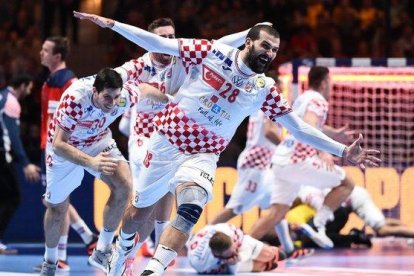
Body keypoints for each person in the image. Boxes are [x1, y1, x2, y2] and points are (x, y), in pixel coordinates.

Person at [74, 12, 380, 275]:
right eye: (264, 45)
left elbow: (297, 128)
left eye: (274, 50)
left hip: (204, 154)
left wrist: (341, 151)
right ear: (248, 42)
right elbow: (159, 44)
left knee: (191, 206)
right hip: (166, 142)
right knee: (140, 213)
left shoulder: (264, 88)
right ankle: (122, 251)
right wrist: (111, 24)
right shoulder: (211, 52)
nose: (270, 53)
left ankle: (155, 269)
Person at [114, 18, 261, 275]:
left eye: (172, 36)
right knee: (142, 208)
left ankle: (150, 250)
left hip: (176, 138)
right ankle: (121, 250)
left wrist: (249, 33)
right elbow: (119, 86)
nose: (169, 42)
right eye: (163, 38)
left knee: (171, 193)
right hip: (144, 141)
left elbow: (219, 46)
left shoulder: (183, 60)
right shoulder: (140, 67)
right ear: (151, 42)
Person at [39, 67, 170, 276]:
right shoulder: (75, 99)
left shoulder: (121, 97)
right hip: (65, 147)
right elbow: (58, 144)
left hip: (98, 140)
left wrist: (170, 100)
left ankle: (102, 250)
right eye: (107, 97)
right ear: (94, 91)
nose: (112, 102)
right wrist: (91, 162)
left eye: (116, 97)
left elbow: (144, 89)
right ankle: (50, 261)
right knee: (57, 209)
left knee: (125, 185)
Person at [246, 66, 360, 249]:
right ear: (323, 83)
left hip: (281, 161)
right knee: (347, 183)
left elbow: (307, 124)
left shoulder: (302, 98)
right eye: (330, 82)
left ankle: (241, 246)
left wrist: (335, 133)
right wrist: (324, 151)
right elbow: (310, 126)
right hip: (299, 161)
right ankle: (318, 224)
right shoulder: (319, 101)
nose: (331, 86)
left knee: (275, 214)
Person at [38, 35, 98, 272]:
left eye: (45, 50)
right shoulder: (49, 80)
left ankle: (62, 256)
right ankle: (87, 238)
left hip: (62, 148)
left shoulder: (70, 82)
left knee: (56, 202)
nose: (41, 53)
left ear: (57, 56)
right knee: (55, 201)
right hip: (47, 146)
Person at [0, 73, 40, 254]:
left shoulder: (1, 96)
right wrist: (25, 163)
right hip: (2, 157)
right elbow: (13, 136)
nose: (30, 91)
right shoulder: (11, 102)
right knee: (13, 197)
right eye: (29, 87)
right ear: (22, 85)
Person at [298, 185, 414, 244]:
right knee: (382, 222)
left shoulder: (306, 195)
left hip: (355, 198)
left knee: (382, 230)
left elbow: (329, 215)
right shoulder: (306, 188)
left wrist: (316, 227)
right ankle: (409, 229)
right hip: (354, 195)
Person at [188, 223, 286, 273]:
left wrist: (241, 256)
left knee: (268, 255)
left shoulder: (227, 230)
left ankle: (269, 251)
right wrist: (233, 264)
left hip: (238, 244)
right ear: (218, 255)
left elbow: (243, 240)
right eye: (231, 253)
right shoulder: (202, 264)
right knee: (260, 266)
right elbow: (226, 272)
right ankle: (263, 264)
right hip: (224, 263)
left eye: (234, 249)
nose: (235, 252)